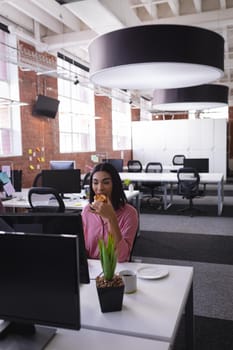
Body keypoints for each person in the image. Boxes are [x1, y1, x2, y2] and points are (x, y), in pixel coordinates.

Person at [82, 162, 138, 262]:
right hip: (92, 270)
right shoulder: (87, 211)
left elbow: (122, 257)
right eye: (95, 183)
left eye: (106, 182)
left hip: (117, 270)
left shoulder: (130, 213)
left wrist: (111, 218)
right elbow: (83, 250)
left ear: (115, 185)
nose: (100, 188)